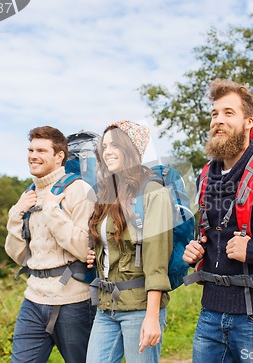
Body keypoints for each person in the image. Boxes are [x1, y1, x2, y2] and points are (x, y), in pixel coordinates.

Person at [182, 79, 253, 363]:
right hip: (208, 316)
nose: (218, 121)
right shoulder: (205, 176)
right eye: (214, 114)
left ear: (249, 122)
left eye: (228, 113)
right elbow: (214, 234)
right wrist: (196, 250)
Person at [5, 126, 97, 363]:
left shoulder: (79, 191)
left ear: (59, 156)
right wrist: (16, 214)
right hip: (33, 299)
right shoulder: (29, 195)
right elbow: (18, 255)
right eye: (31, 149)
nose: (33, 155)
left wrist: (52, 211)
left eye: (41, 150)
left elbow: (82, 248)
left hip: (74, 302)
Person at [85, 121, 173, 363]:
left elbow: (157, 260)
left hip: (140, 307)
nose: (107, 151)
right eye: (104, 146)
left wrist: (152, 316)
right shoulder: (107, 193)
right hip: (106, 306)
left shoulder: (153, 192)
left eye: (115, 145)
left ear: (132, 149)